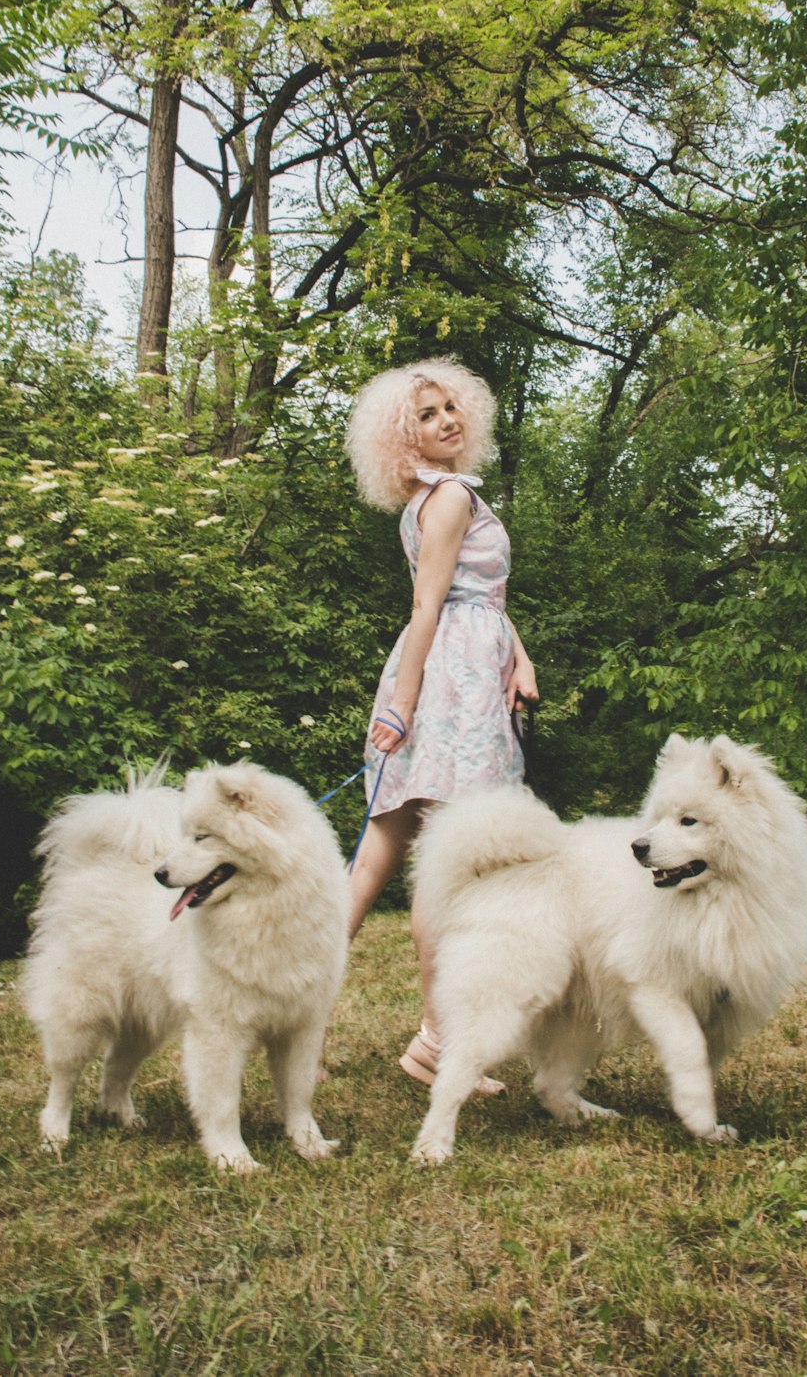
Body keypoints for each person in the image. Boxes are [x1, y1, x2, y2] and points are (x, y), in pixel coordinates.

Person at [344, 357, 538, 1089]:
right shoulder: (451, 496)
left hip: (452, 671)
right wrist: (403, 702)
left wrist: (519, 655)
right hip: (446, 688)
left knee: (370, 863)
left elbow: (474, 595)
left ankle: (285, 1018)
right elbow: (430, 607)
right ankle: (436, 1039)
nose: (446, 420)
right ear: (404, 435)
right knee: (443, 863)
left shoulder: (431, 500)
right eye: (426, 415)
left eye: (451, 407)